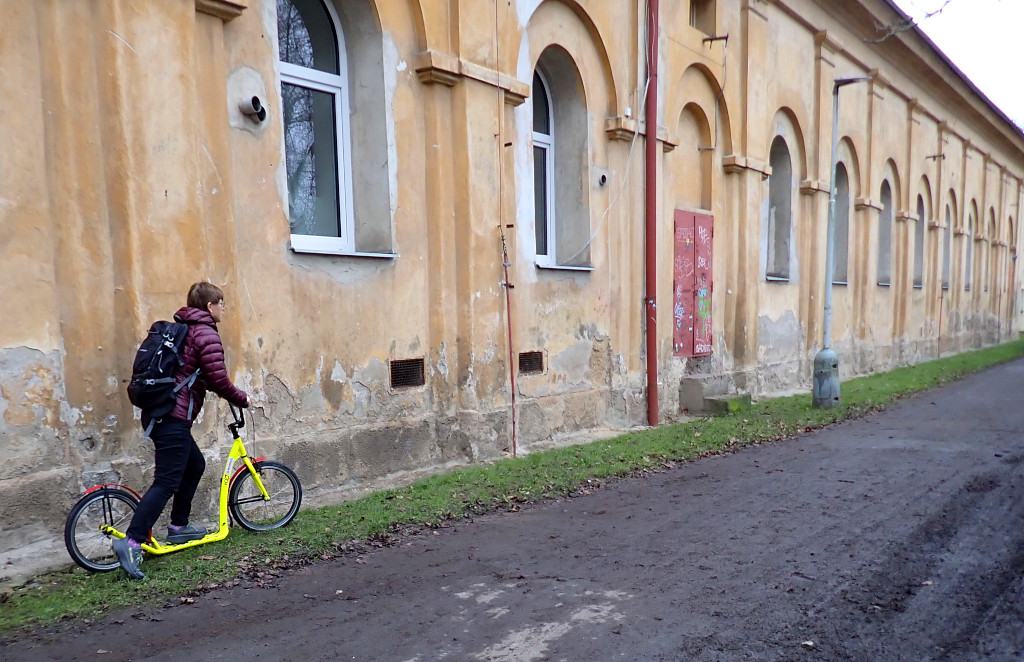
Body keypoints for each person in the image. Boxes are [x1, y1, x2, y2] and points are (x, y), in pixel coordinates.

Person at [113, 282, 249, 579]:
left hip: (165, 413)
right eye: (221, 303)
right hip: (172, 417)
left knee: (195, 464)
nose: (224, 308)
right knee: (165, 483)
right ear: (210, 307)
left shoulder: (185, 329)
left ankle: (178, 527)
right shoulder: (205, 333)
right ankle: (133, 540)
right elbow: (218, 380)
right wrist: (243, 398)